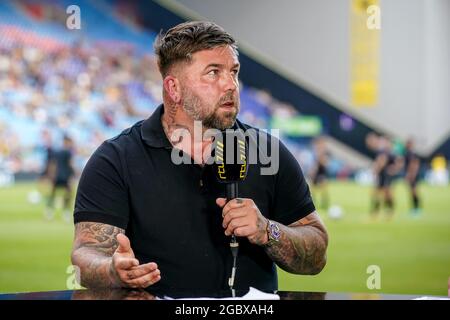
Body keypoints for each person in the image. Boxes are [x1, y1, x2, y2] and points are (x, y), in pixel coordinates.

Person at [71, 21, 328, 293]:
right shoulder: (116, 159)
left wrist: (267, 231)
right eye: (213, 73)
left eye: (234, 72)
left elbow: (317, 255)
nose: (230, 85)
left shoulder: (267, 152)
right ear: (174, 88)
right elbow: (86, 254)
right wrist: (112, 270)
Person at [370, 135, 403, 219]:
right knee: (378, 193)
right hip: (383, 175)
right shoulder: (384, 152)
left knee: (386, 193)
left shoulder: (390, 153)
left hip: (386, 175)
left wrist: (376, 171)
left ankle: (387, 211)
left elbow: (382, 162)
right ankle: (378, 211)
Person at [45, 135, 75, 222]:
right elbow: (70, 164)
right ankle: (66, 213)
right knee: (68, 194)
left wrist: (51, 175)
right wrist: (73, 174)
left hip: (56, 176)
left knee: (52, 194)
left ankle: (49, 213)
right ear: (67, 142)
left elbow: (52, 164)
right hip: (65, 176)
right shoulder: (68, 152)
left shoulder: (56, 151)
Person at [310, 136, 330, 210]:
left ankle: (324, 204)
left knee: (323, 188)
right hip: (316, 172)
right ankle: (313, 203)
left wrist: (321, 158)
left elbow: (325, 163)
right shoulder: (315, 152)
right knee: (313, 189)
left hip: (322, 172)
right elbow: (314, 163)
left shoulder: (325, 152)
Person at [403, 139, 421, 215]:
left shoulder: (410, 153)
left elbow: (414, 164)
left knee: (413, 192)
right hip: (413, 175)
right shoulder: (410, 153)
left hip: (412, 175)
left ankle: (416, 209)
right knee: (412, 192)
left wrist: (411, 175)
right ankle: (414, 209)